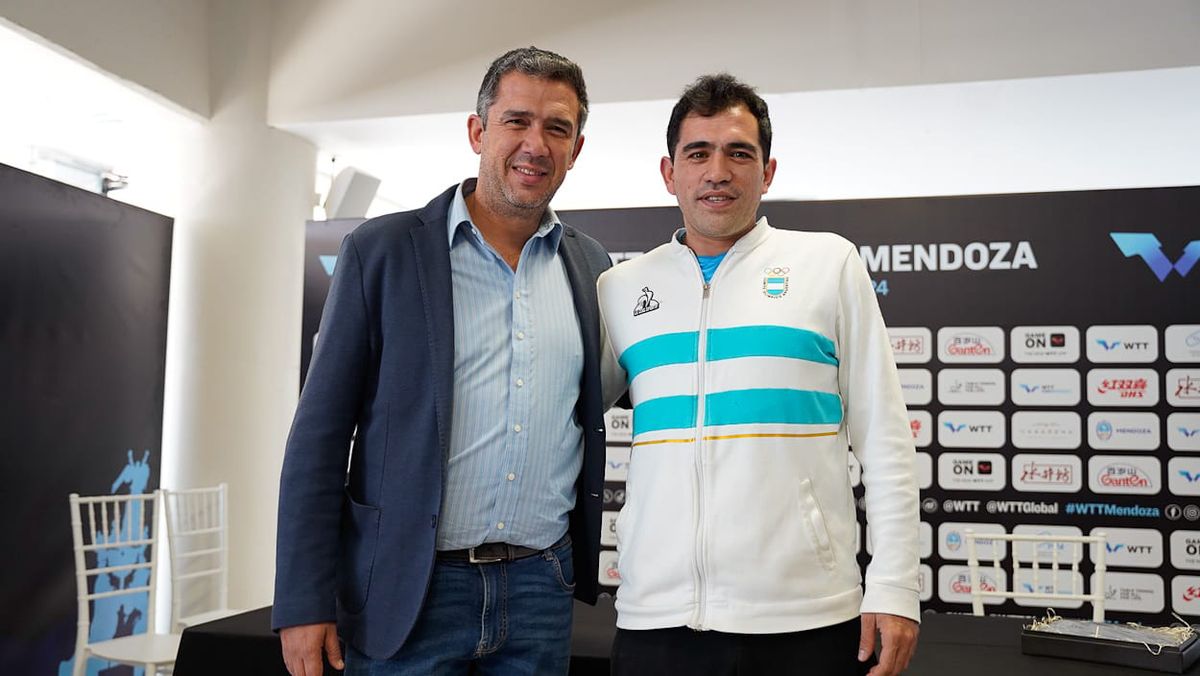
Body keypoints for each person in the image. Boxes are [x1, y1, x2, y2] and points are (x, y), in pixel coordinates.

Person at [273, 47, 612, 676]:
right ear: (478, 131)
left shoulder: (591, 265)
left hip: (541, 588)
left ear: (576, 147)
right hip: (409, 587)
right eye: (517, 121)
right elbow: (318, 438)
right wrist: (301, 599)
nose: (535, 144)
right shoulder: (381, 252)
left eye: (557, 128)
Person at [596, 74, 920, 676]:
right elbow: (562, 417)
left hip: (807, 619)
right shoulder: (620, 289)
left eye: (738, 153)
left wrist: (896, 584)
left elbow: (887, 440)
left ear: (767, 172)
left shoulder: (828, 264)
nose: (717, 170)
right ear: (670, 173)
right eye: (698, 153)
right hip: (655, 621)